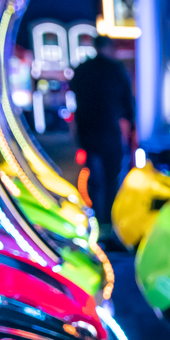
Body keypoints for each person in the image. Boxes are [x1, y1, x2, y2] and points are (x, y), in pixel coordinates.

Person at [68, 35, 135, 227]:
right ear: (110, 48)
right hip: (108, 130)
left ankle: (95, 214)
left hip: (87, 130)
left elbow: (74, 97)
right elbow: (127, 103)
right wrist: (131, 124)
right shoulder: (115, 69)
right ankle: (110, 216)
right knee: (112, 175)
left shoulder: (82, 69)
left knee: (92, 174)